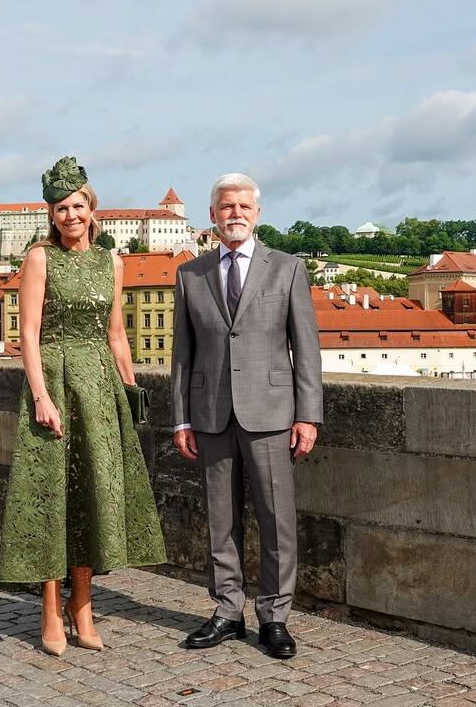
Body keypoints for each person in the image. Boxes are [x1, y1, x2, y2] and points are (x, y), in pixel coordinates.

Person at [0, 156, 167, 656]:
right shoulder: (39, 258)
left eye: (76, 206)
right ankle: (50, 607)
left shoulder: (112, 262)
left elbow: (117, 334)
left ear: (91, 209)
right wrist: (41, 397)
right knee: (53, 496)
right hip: (53, 378)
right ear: (50, 215)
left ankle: (83, 605)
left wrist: (130, 391)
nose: (68, 216)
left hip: (99, 387)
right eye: (59, 209)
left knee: (95, 495)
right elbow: (27, 334)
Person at [170, 173, 322, 659]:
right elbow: (182, 355)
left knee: (277, 520)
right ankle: (227, 611)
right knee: (220, 519)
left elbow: (307, 349)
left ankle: (274, 617)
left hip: (273, 412)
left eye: (243, 207)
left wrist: (308, 416)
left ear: (257, 214)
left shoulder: (288, 268)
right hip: (210, 413)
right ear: (211, 215)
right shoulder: (190, 274)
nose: (235, 214)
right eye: (225, 207)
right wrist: (180, 419)